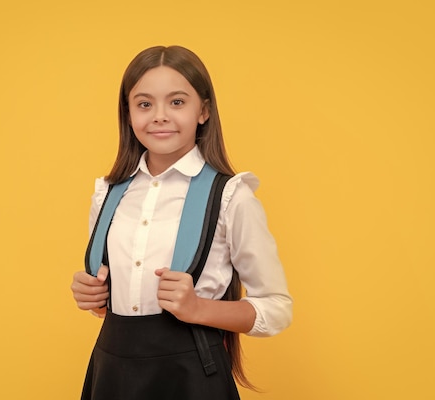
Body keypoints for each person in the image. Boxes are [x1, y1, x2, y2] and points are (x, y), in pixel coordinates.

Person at [70, 45, 292, 400]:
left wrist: (198, 307)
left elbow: (277, 308)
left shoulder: (231, 197)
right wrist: (94, 296)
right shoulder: (108, 194)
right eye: (144, 104)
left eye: (176, 102)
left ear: (203, 111)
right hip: (112, 374)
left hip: (192, 379)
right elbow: (114, 302)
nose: (159, 116)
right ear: (127, 114)